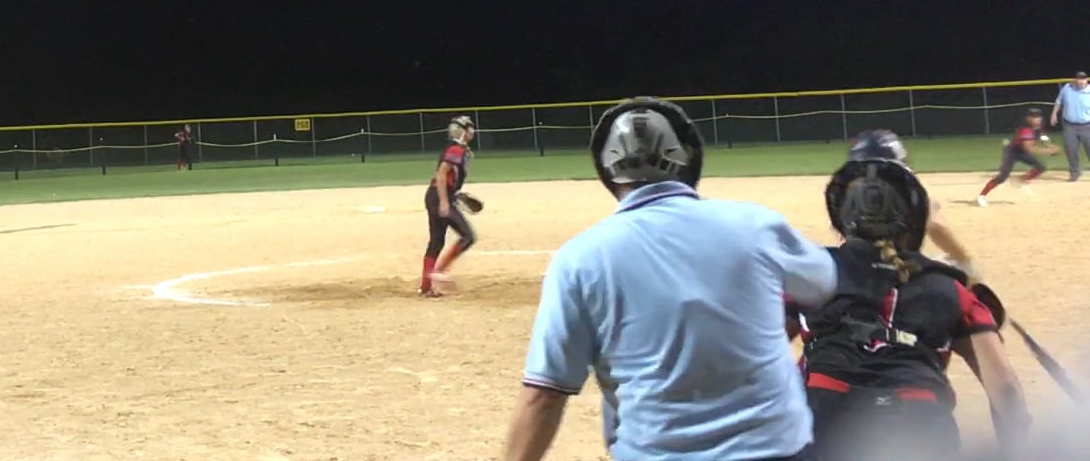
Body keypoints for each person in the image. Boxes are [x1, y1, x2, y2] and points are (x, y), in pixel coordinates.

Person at [502, 97, 838, 461]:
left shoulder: (580, 258)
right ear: (688, 159)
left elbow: (543, 396)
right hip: (778, 451)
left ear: (607, 170)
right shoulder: (755, 225)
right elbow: (823, 283)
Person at [788, 157, 1027, 461]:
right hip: (919, 429)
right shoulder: (951, 289)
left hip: (824, 422)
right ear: (913, 222)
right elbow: (1005, 389)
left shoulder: (810, 273)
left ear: (842, 218)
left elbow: (754, 356)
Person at [846, 130, 977, 279]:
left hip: (855, 271)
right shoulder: (908, 193)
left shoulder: (845, 196)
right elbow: (936, 226)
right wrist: (965, 261)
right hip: (898, 275)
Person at [421, 116, 477, 298]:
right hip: (439, 197)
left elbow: (447, 176)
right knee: (467, 236)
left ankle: (426, 287)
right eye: (470, 128)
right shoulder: (455, 149)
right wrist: (445, 202)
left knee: (436, 241)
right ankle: (439, 272)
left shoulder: (456, 148)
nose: (473, 131)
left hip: (435, 195)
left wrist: (454, 194)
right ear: (463, 131)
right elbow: (442, 173)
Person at [975, 108, 1057, 207]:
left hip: (1022, 152)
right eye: (1034, 117)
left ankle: (1021, 179)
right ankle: (982, 196)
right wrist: (1048, 151)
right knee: (1002, 177)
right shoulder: (1026, 130)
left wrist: (1049, 144)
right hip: (1012, 152)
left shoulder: (1038, 126)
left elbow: (1042, 135)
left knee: (1041, 167)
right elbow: (1029, 149)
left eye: (1038, 117)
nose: (1037, 119)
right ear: (1028, 119)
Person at [1048, 71, 1090, 180]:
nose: (1081, 82)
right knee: (1070, 150)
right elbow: (1058, 102)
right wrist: (1054, 114)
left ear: (1087, 80)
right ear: (1075, 80)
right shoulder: (1067, 88)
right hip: (1069, 125)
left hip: (1087, 126)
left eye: (1083, 79)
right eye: (1079, 79)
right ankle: (1075, 172)